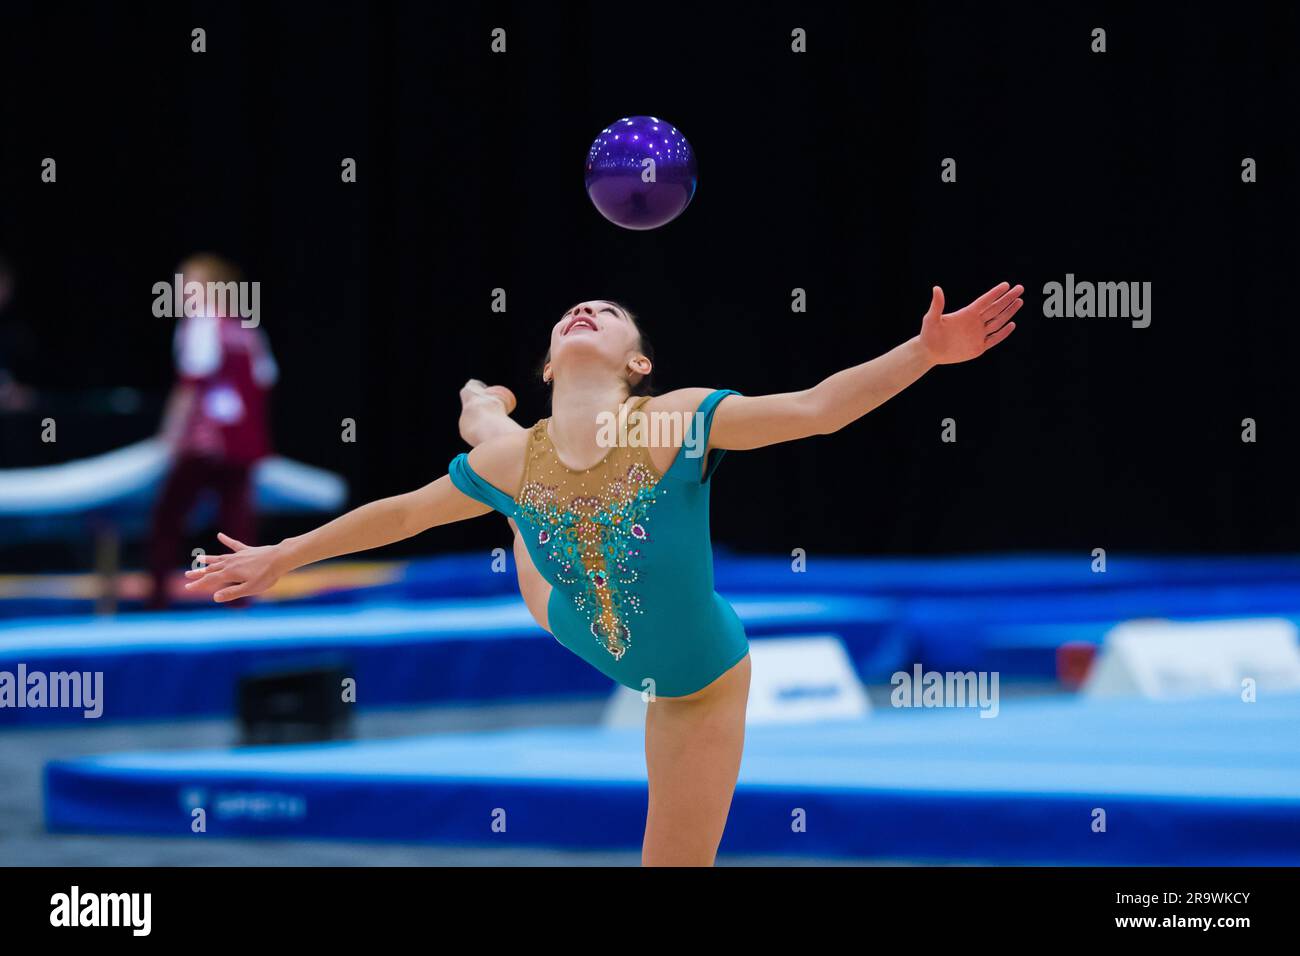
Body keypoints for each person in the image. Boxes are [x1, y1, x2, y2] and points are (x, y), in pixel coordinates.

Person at [184, 282, 1022, 863]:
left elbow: (816, 409)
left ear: (638, 364)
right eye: (571, 311)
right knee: (506, 468)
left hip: (697, 685)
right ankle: (484, 413)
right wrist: (281, 557)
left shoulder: (677, 420)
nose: (584, 310)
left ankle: (482, 409)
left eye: (608, 311)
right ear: (550, 365)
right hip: (560, 605)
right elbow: (400, 514)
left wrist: (923, 352)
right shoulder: (523, 464)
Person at [148, 253, 277, 609]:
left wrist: (170, 435)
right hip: (243, 442)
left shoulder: (202, 323)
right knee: (237, 523)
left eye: (188, 281)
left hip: (207, 442)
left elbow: (191, 383)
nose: (181, 289)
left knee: (168, 515)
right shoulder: (248, 329)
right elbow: (264, 382)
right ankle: (241, 600)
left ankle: (157, 597)